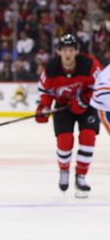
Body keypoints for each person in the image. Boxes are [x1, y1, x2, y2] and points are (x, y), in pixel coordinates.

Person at [35, 33, 102, 197]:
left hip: (87, 107)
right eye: (64, 50)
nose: (68, 54)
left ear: (77, 51)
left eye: (71, 50)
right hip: (63, 108)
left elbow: (101, 87)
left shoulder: (90, 65)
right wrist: (44, 108)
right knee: (65, 141)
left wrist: (84, 99)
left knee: (88, 137)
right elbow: (46, 94)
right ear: (59, 51)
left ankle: (81, 177)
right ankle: (64, 170)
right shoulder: (51, 69)